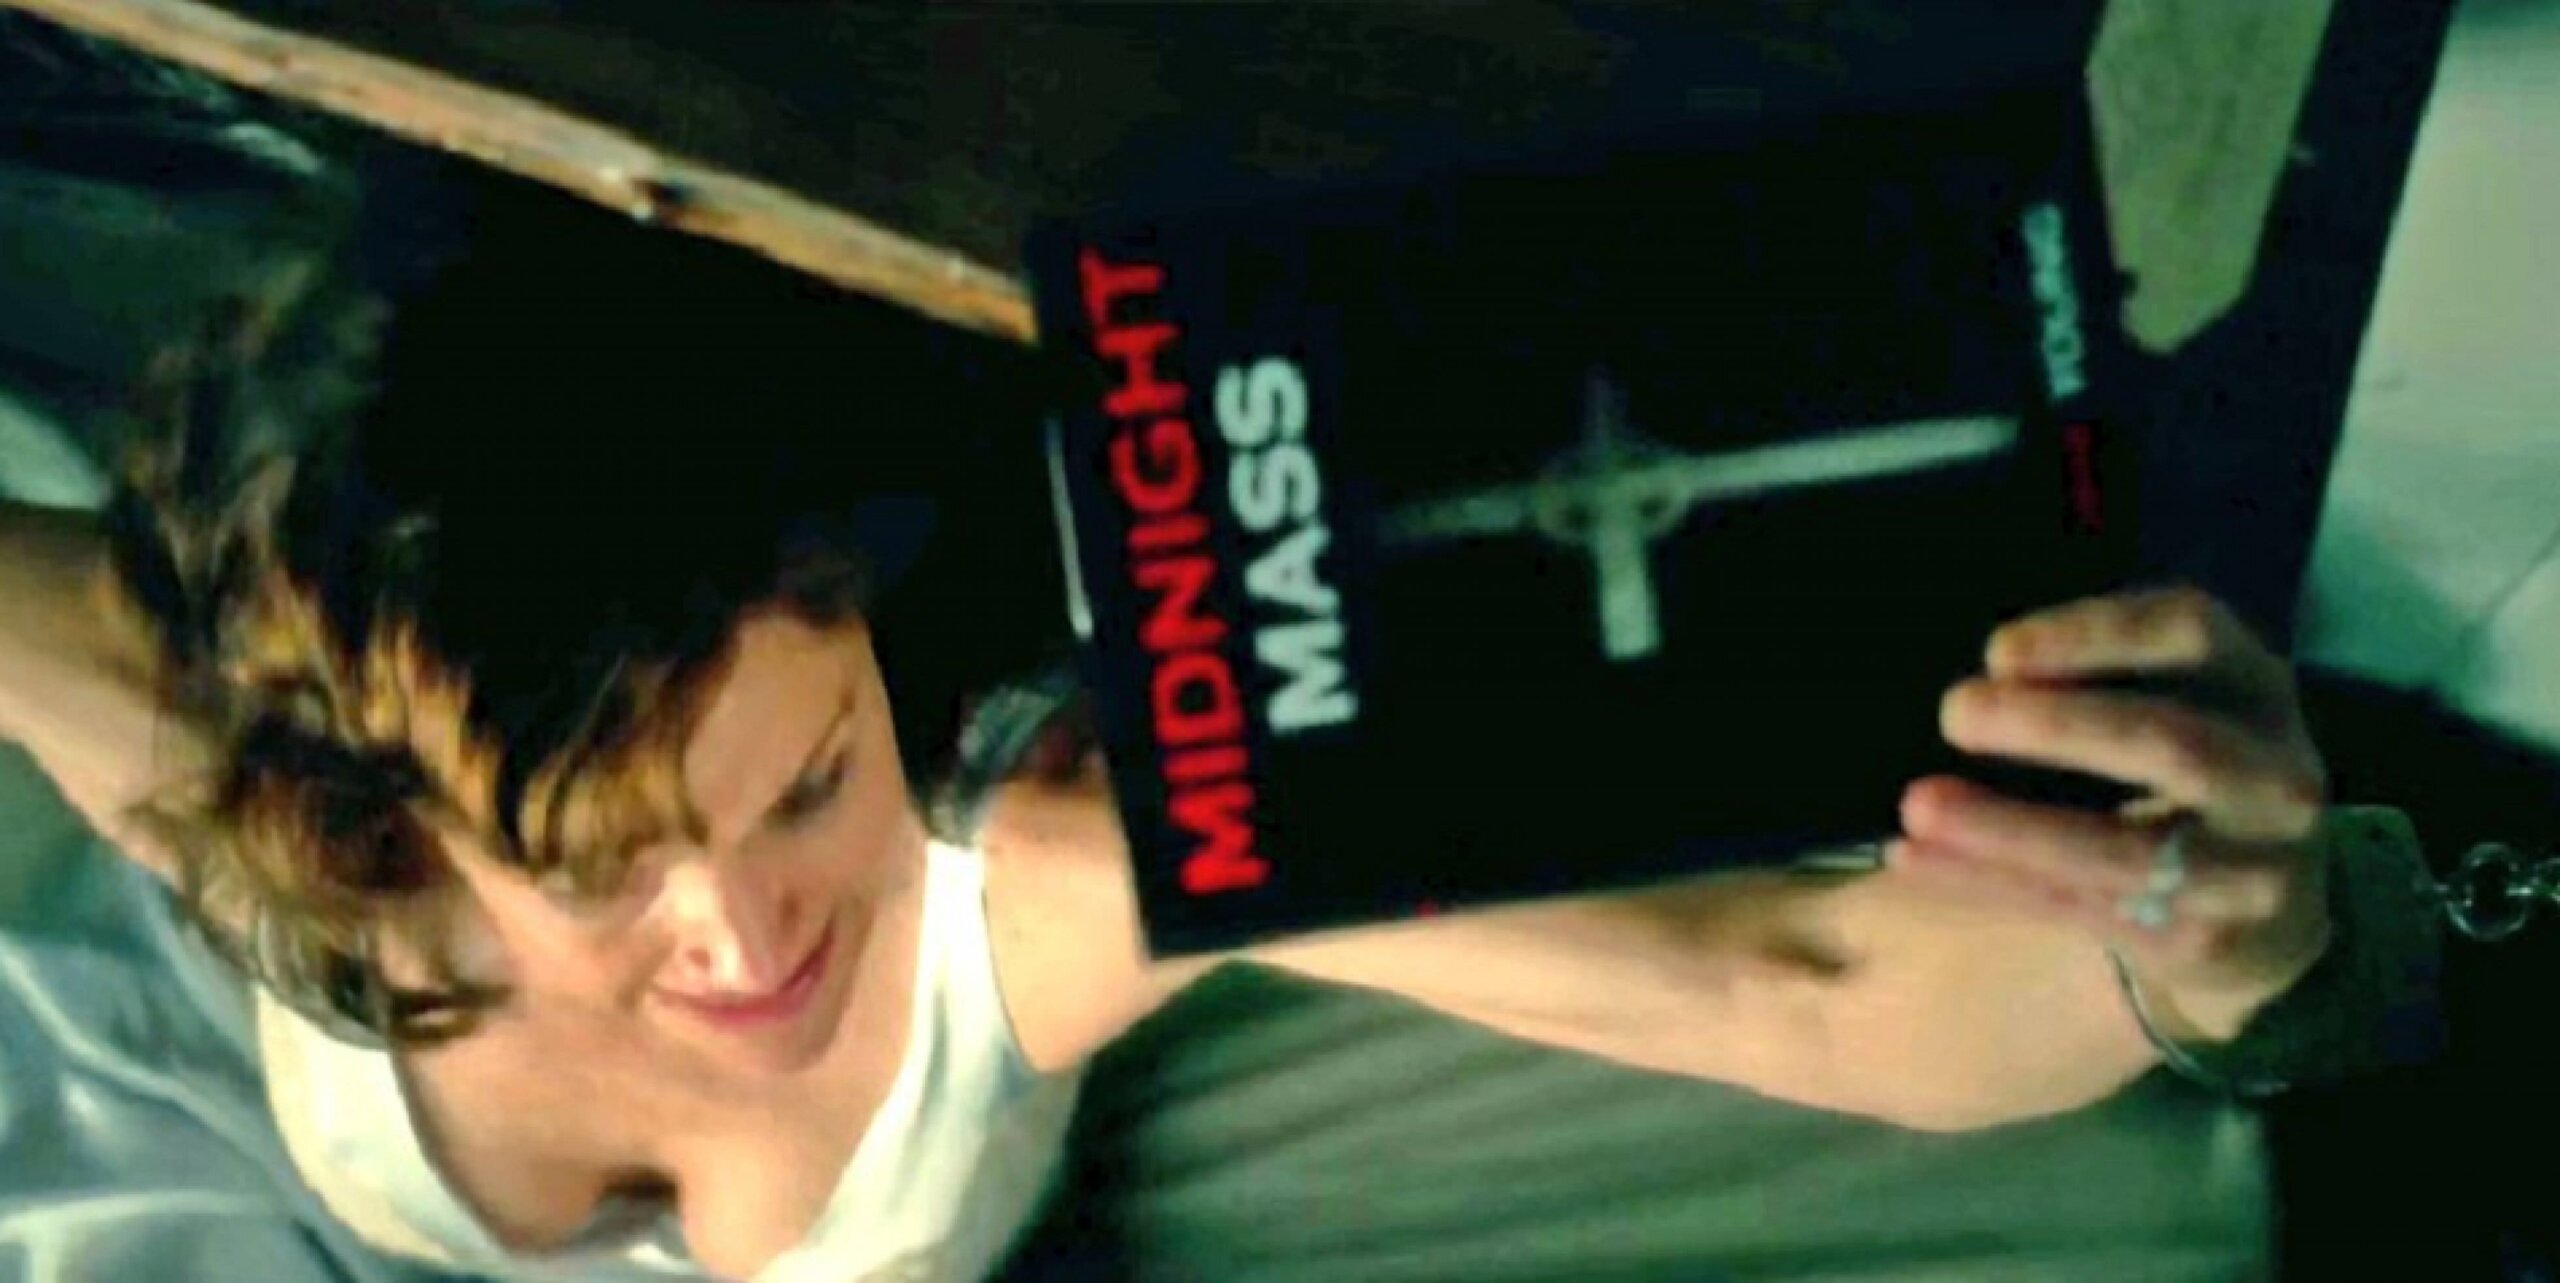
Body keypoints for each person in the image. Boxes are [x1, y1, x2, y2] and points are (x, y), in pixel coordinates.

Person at [0, 222, 2367, 1283]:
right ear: (381, 829)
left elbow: (1801, 991)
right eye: (603, 865)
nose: (741, 936)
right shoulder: (228, 754)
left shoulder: (1046, 861)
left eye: (804, 785)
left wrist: (2201, 943)